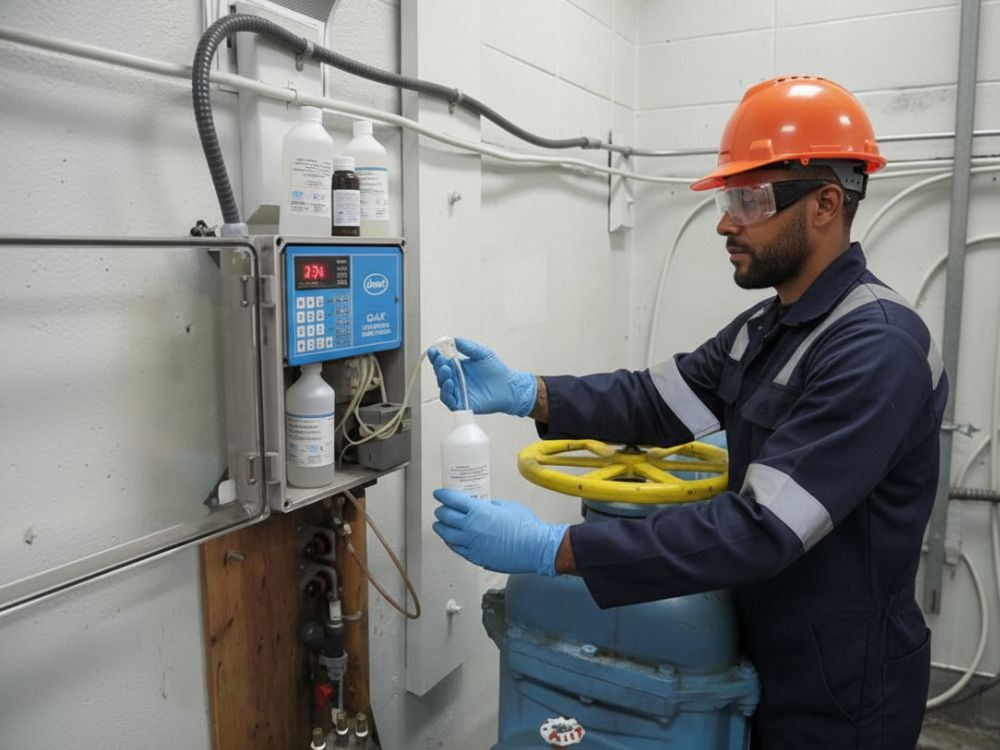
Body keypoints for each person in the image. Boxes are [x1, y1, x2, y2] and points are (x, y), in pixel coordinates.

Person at [428, 75, 947, 749]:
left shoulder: (878, 346)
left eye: (750, 198)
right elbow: (654, 400)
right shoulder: (771, 326)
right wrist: (529, 392)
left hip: (839, 689)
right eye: (730, 198)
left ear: (825, 205)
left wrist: (554, 549)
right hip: (757, 643)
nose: (727, 220)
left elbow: (761, 528)